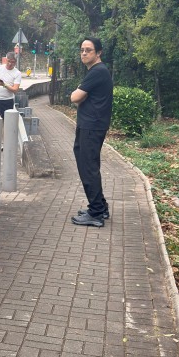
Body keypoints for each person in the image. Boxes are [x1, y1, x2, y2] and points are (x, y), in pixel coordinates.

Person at [70, 37, 114, 227]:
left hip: (91, 126)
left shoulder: (97, 71)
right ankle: (100, 207)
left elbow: (75, 97)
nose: (84, 53)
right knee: (90, 166)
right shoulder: (97, 71)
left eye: (88, 50)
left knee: (88, 167)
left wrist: (79, 93)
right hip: (91, 125)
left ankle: (96, 213)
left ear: (98, 53)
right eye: (82, 50)